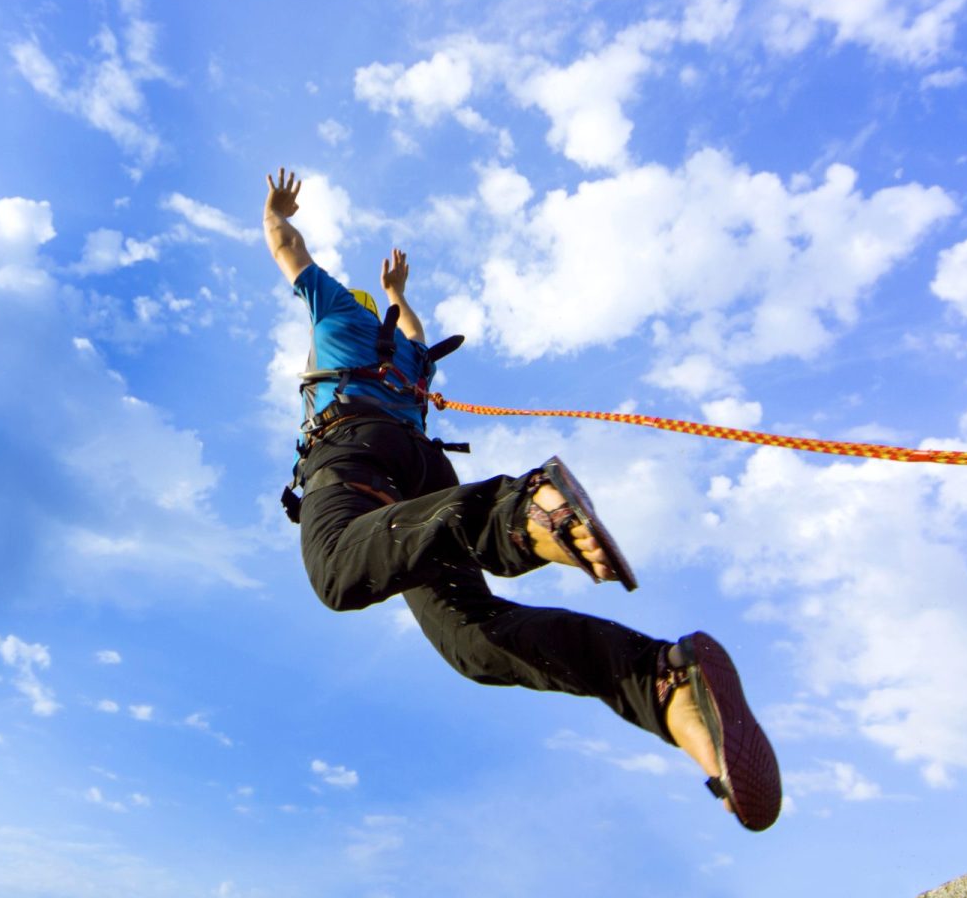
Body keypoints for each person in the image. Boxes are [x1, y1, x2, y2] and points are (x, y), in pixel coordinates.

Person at [264, 167, 781, 831]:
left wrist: (274, 211)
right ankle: (662, 681)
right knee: (474, 642)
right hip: (423, 478)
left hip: (357, 453)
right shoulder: (410, 358)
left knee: (337, 566)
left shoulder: (335, 312)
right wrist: (401, 293)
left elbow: (288, 249)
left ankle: (522, 511)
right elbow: (418, 335)